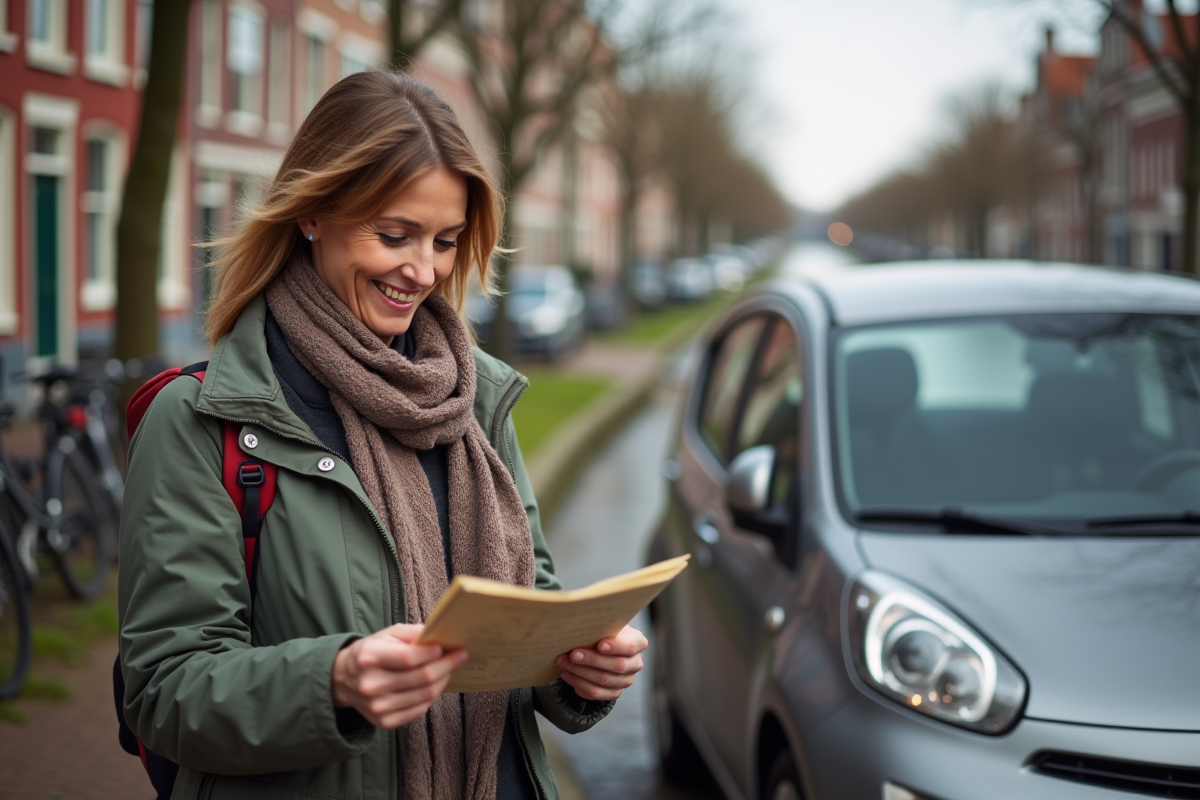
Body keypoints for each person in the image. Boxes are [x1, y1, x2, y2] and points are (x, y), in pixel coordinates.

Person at [117, 71, 648, 800]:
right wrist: (332, 683)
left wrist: (583, 673)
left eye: (446, 241)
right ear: (313, 213)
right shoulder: (203, 420)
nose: (422, 270)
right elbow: (163, 688)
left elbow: (535, 601)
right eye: (393, 234)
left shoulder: (475, 400)